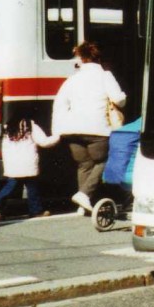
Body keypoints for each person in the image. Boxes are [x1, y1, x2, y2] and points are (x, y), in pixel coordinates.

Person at [51, 40, 126, 212]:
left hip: (72, 131)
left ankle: (82, 206)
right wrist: (124, 96)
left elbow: (60, 103)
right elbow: (118, 99)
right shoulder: (105, 75)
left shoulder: (72, 79)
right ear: (99, 59)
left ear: (82, 59)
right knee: (105, 161)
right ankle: (84, 194)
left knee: (84, 165)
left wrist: (57, 130)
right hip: (97, 130)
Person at [0, 110, 59, 220]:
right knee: (32, 188)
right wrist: (58, 137)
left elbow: (5, 148)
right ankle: (34, 210)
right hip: (27, 163)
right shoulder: (30, 126)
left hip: (13, 164)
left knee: (12, 186)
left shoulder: (8, 128)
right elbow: (44, 142)